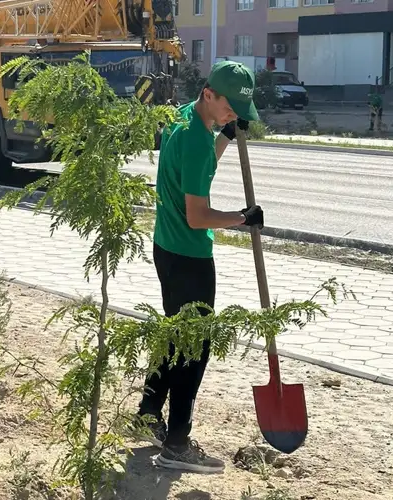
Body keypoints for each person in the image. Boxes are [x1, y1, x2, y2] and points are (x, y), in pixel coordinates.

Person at [134, 60, 264, 473]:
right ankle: (177, 443)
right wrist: (243, 218)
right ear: (209, 93)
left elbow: (199, 166)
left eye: (239, 113)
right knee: (194, 349)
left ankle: (148, 412)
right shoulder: (193, 136)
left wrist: (225, 135)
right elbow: (198, 215)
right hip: (189, 254)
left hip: (167, 248)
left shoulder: (184, 119)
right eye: (230, 110)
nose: (235, 117)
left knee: (172, 335)